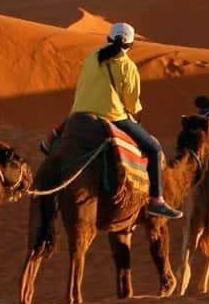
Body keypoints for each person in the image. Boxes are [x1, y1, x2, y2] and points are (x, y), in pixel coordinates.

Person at [71, 23, 182, 219]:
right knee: (154, 149)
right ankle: (157, 200)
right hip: (112, 115)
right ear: (130, 45)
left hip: (79, 112)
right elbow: (131, 103)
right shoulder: (128, 66)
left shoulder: (93, 56)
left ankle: (49, 142)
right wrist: (136, 110)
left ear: (108, 39)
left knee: (57, 138)